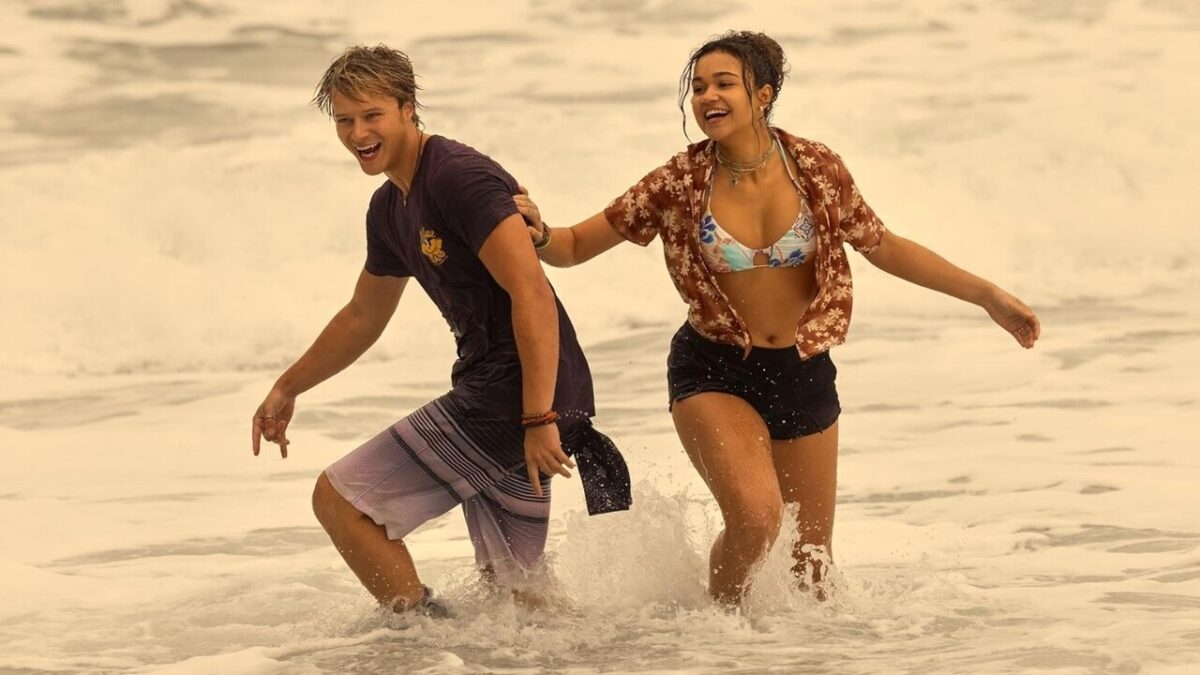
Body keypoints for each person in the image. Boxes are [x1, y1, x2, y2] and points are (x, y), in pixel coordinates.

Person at [515, 31, 1040, 605]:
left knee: (812, 572)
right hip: (714, 368)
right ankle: (715, 637)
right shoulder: (678, 182)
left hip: (802, 369)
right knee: (758, 520)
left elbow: (882, 244)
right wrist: (537, 231)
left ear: (762, 94)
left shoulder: (816, 168)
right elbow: (572, 245)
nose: (706, 97)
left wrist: (986, 294)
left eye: (723, 84)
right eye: (697, 87)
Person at [251, 45, 629, 615]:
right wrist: (288, 387)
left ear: (408, 108)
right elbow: (363, 316)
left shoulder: (459, 178)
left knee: (340, 501)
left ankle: (423, 642)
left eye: (371, 115)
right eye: (344, 120)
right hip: (518, 392)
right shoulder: (389, 209)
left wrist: (538, 417)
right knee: (520, 602)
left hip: (512, 395)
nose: (357, 133)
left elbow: (533, 295)